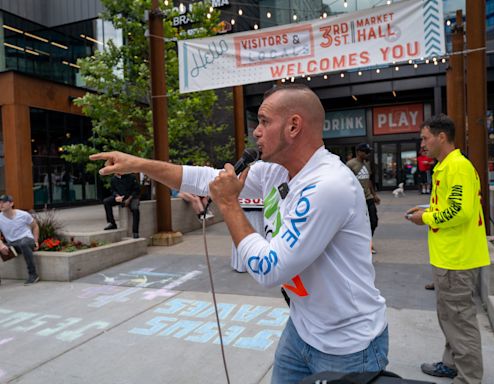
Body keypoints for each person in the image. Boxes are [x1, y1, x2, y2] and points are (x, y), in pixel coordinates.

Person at [90, 84, 388, 384]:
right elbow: (208, 178)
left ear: (294, 126)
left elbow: (269, 269)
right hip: (303, 329)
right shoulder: (276, 171)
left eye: (264, 121)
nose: (256, 131)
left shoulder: (327, 185)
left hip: (348, 346)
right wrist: (138, 165)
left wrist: (229, 203)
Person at [406, 114, 490, 384]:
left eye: (425, 137)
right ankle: (451, 363)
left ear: (441, 137)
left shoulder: (457, 167)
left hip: (458, 259)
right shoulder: (448, 166)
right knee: (451, 318)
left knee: (460, 320)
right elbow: (452, 206)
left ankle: (468, 378)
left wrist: (426, 218)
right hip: (450, 257)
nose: (422, 144)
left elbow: (459, 211)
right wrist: (428, 210)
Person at [346, 143, 380, 254]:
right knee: (359, 223)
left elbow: (369, 180)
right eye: (366, 152)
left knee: (374, 221)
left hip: (368, 197)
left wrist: (374, 195)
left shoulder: (366, 164)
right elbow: (346, 182)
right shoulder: (350, 164)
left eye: (368, 152)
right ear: (359, 152)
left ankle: (367, 242)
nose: (367, 154)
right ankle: (364, 245)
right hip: (357, 199)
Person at [0, 194, 40, 284]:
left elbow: (35, 226)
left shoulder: (23, 214)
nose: (1, 204)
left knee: (24, 243)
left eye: (3, 202)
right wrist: (1, 245)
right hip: (12, 244)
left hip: (27, 240)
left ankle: (33, 275)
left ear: (11, 204)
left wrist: (36, 241)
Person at [103, 173, 141, 238]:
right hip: (120, 197)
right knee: (106, 202)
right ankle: (112, 224)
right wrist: (117, 196)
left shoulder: (131, 177)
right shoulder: (113, 179)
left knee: (135, 209)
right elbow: (113, 190)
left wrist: (129, 199)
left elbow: (137, 190)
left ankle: (135, 232)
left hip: (131, 197)